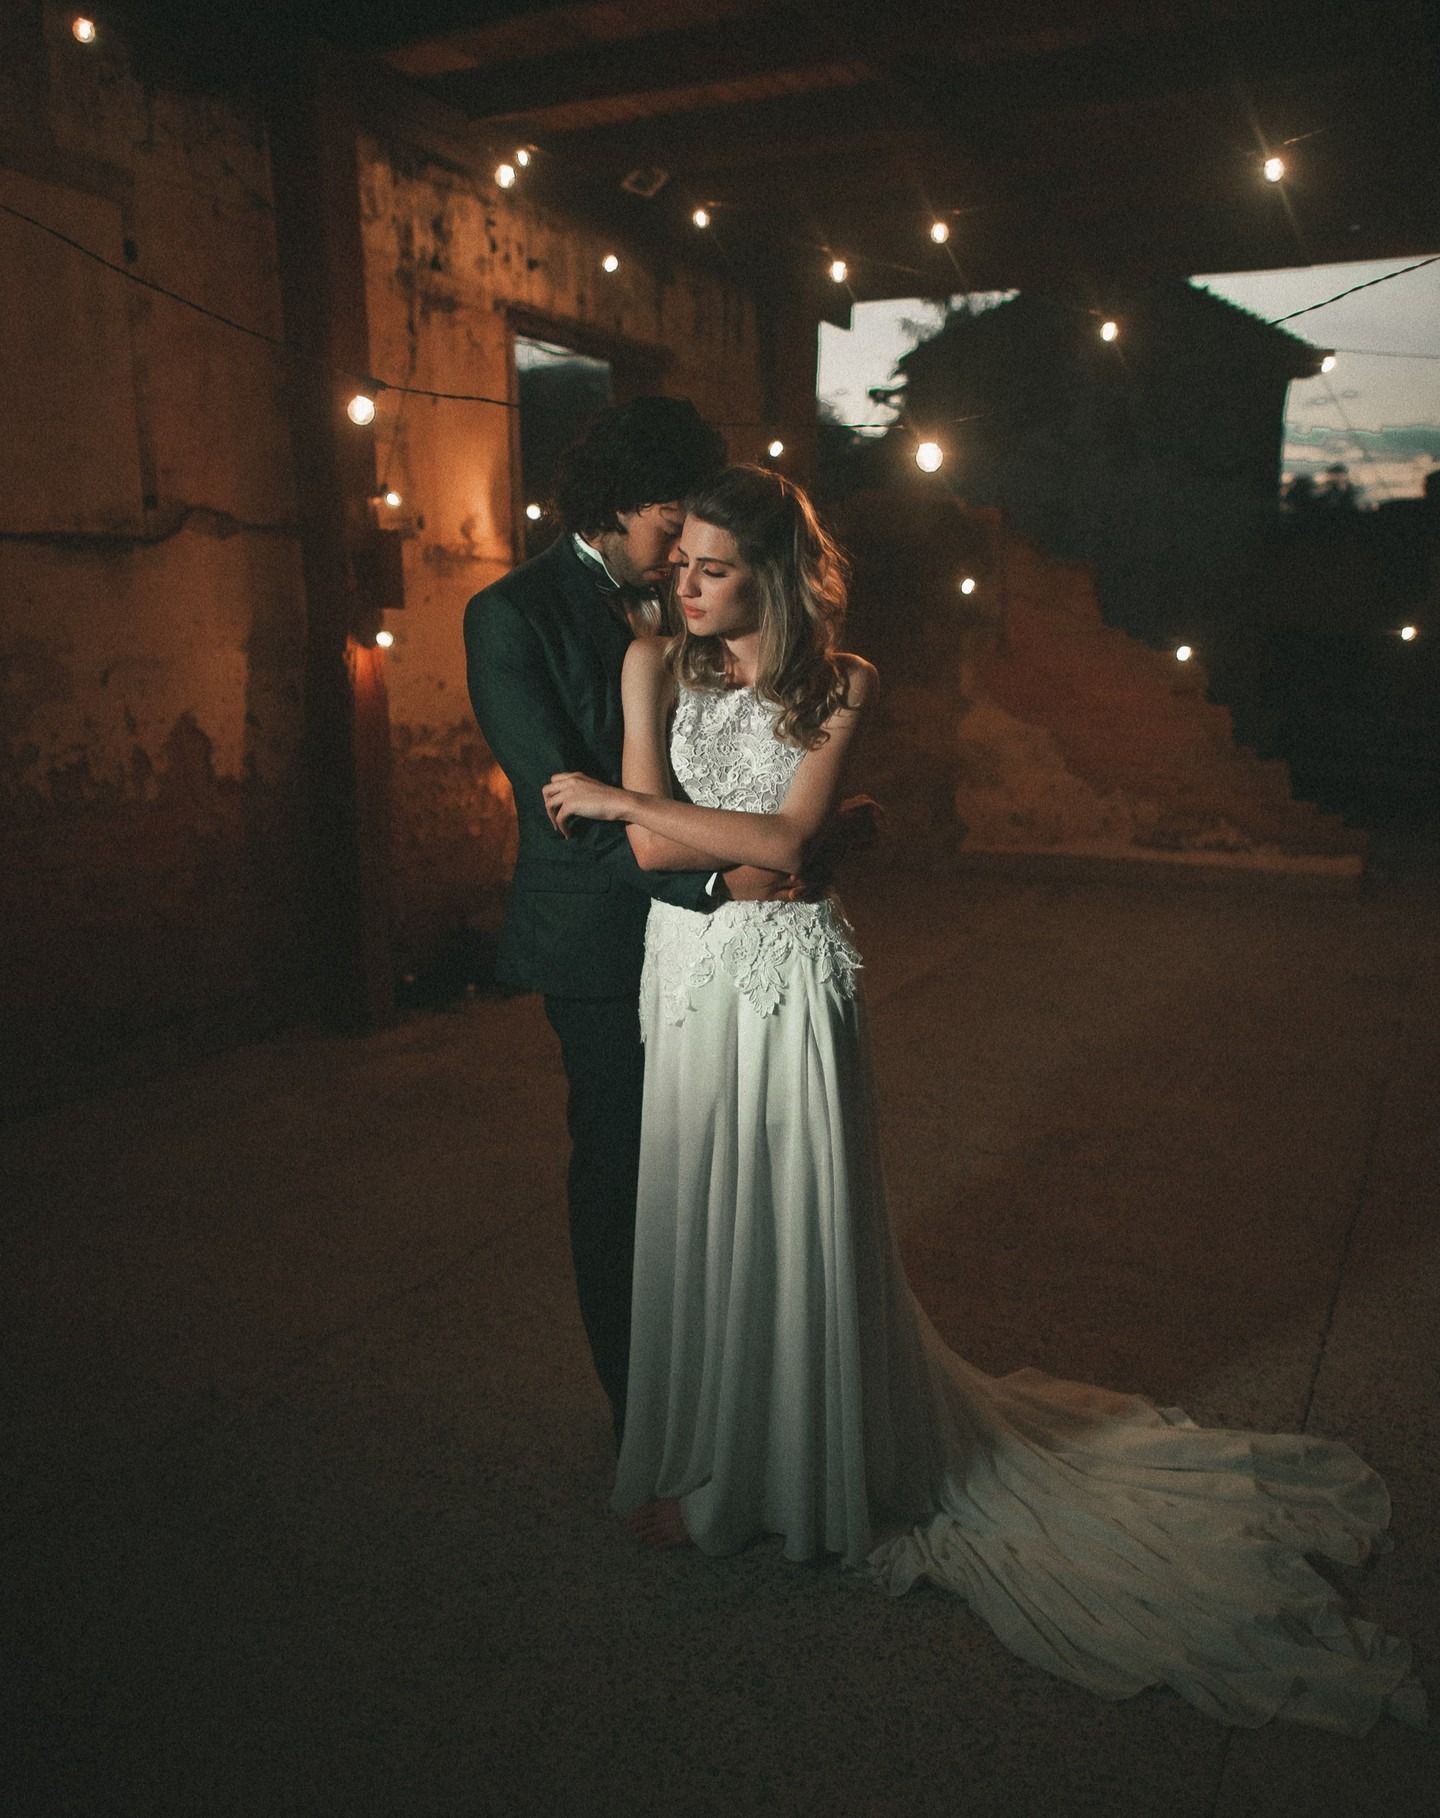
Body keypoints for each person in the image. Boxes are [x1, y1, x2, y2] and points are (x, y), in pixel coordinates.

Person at [541, 465, 1424, 1735]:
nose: (681, 583)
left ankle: (802, 1463)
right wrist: (683, 824)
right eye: (679, 561)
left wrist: (638, 798)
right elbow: (653, 861)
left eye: (712, 567)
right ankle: (703, 1459)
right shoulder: (645, 667)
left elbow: (783, 847)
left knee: (793, 1208)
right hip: (683, 973)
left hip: (794, 973)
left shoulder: (845, 683)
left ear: (774, 578)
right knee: (695, 1198)